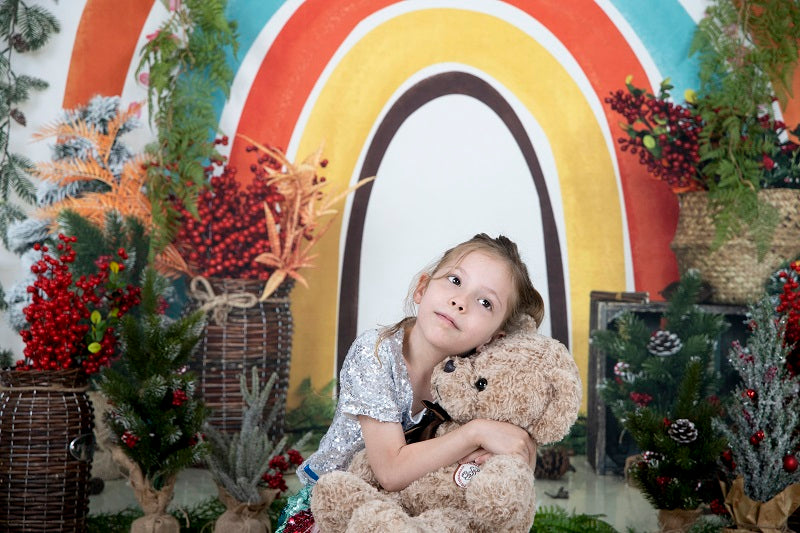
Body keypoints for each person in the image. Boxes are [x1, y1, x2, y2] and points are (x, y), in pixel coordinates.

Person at [277, 233, 545, 533]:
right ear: (421, 288)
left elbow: (512, 448)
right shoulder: (375, 353)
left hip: (414, 509)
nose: (460, 302)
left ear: (492, 340)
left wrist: (521, 452)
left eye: (485, 302)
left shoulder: (476, 380)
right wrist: (476, 433)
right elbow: (390, 471)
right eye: (455, 281)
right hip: (334, 506)